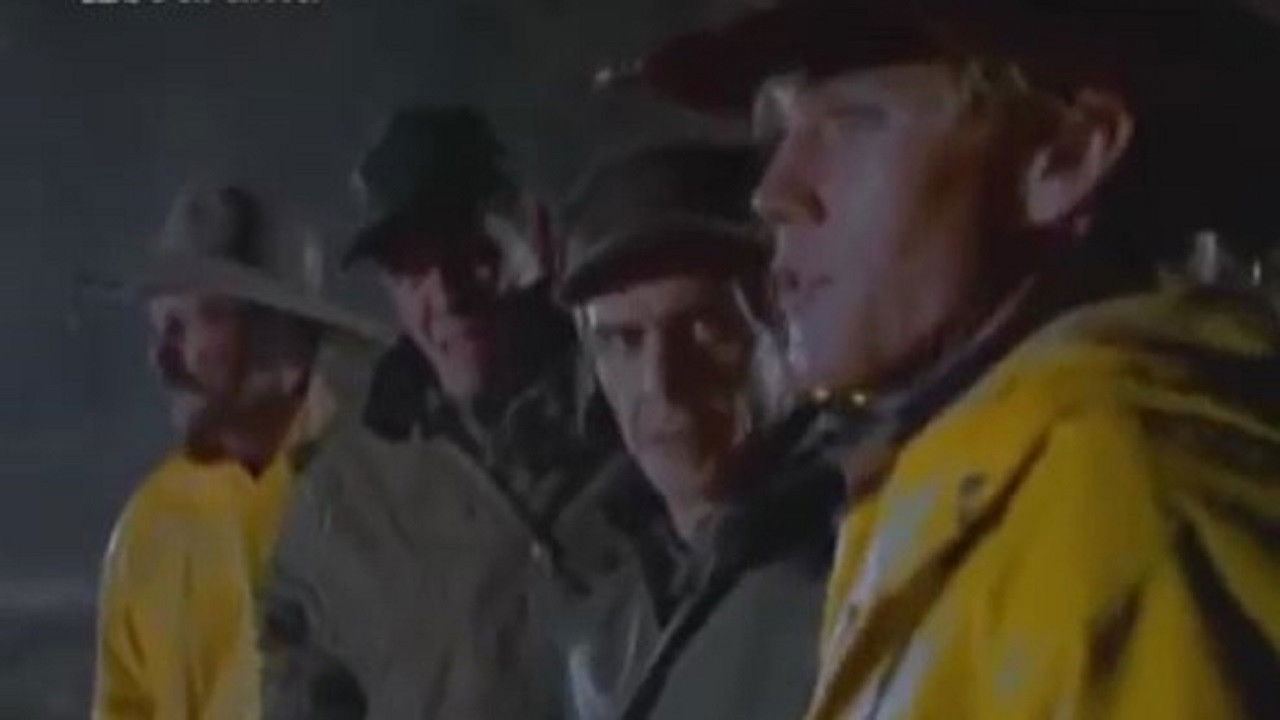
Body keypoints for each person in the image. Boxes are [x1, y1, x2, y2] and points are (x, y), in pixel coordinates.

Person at [610, 0, 1280, 717]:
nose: (774, 194)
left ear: (1065, 155)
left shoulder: (1114, 498)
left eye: (853, 122)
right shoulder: (975, 479)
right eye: (782, 134)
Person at [261, 106, 616, 719]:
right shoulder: (344, 496)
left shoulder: (637, 417)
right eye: (409, 267)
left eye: (467, 247)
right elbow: (295, 673)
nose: (446, 293)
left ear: (532, 237)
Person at [553, 142, 840, 720]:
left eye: (705, 327)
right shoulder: (601, 632)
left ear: (783, 325)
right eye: (624, 341)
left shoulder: (855, 567)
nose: (662, 383)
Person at [93, 184, 383, 719]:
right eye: (158, 328)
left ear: (278, 332)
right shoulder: (150, 527)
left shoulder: (380, 493)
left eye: (186, 326)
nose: (162, 359)